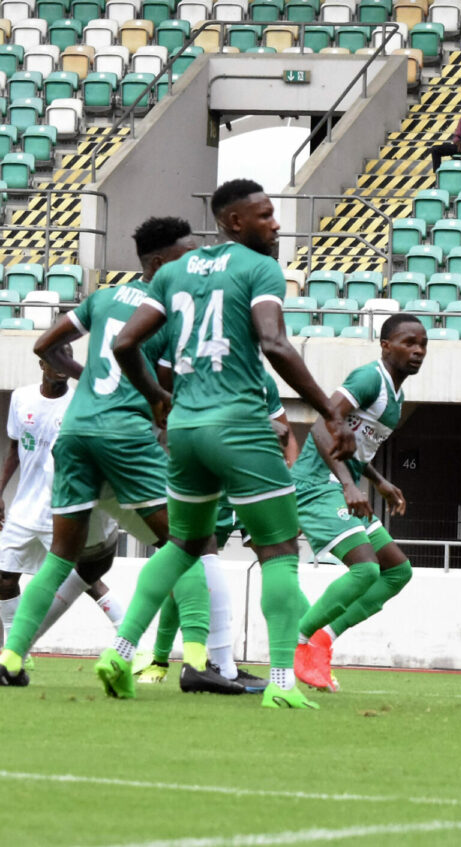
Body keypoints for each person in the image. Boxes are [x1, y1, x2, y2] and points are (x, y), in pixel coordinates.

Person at [95, 178, 356, 709]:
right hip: (239, 424)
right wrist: (330, 411)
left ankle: (122, 652)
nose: (276, 223)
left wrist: (159, 400)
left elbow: (126, 343)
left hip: (187, 429)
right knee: (280, 550)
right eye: (265, 215)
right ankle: (282, 684)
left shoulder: (172, 272)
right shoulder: (260, 268)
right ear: (234, 222)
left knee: (182, 545)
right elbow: (274, 342)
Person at [1, 217, 236, 694]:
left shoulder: (103, 298)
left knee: (64, 558)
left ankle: (9, 658)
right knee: (188, 541)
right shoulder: (169, 312)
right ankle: (195, 662)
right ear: (156, 264)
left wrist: (86, 375)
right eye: (184, 257)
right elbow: (166, 389)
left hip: (76, 432)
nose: (192, 265)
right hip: (125, 436)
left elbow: (45, 344)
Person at [138, 370, 297, 693]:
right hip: (201, 481)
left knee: (189, 570)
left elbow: (286, 435)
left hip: (243, 486)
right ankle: (215, 665)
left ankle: (165, 658)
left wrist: (285, 478)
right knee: (192, 561)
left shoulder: (262, 381)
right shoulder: (192, 372)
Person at [291, 313, 426, 692]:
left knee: (397, 572)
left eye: (423, 345)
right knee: (365, 570)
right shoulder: (369, 379)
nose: (417, 351)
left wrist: (380, 482)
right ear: (385, 346)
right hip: (316, 483)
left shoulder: (396, 396)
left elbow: (354, 446)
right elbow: (322, 426)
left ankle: (322, 640)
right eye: (408, 342)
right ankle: (299, 644)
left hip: (339, 481)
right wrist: (348, 486)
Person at [0, 350, 126, 673]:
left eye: (67, 358)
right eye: (55, 358)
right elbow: (15, 449)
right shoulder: (21, 398)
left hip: (62, 508)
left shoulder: (79, 404)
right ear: (41, 364)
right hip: (23, 509)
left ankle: (129, 643)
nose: (62, 366)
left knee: (87, 579)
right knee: (4, 578)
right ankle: (15, 650)